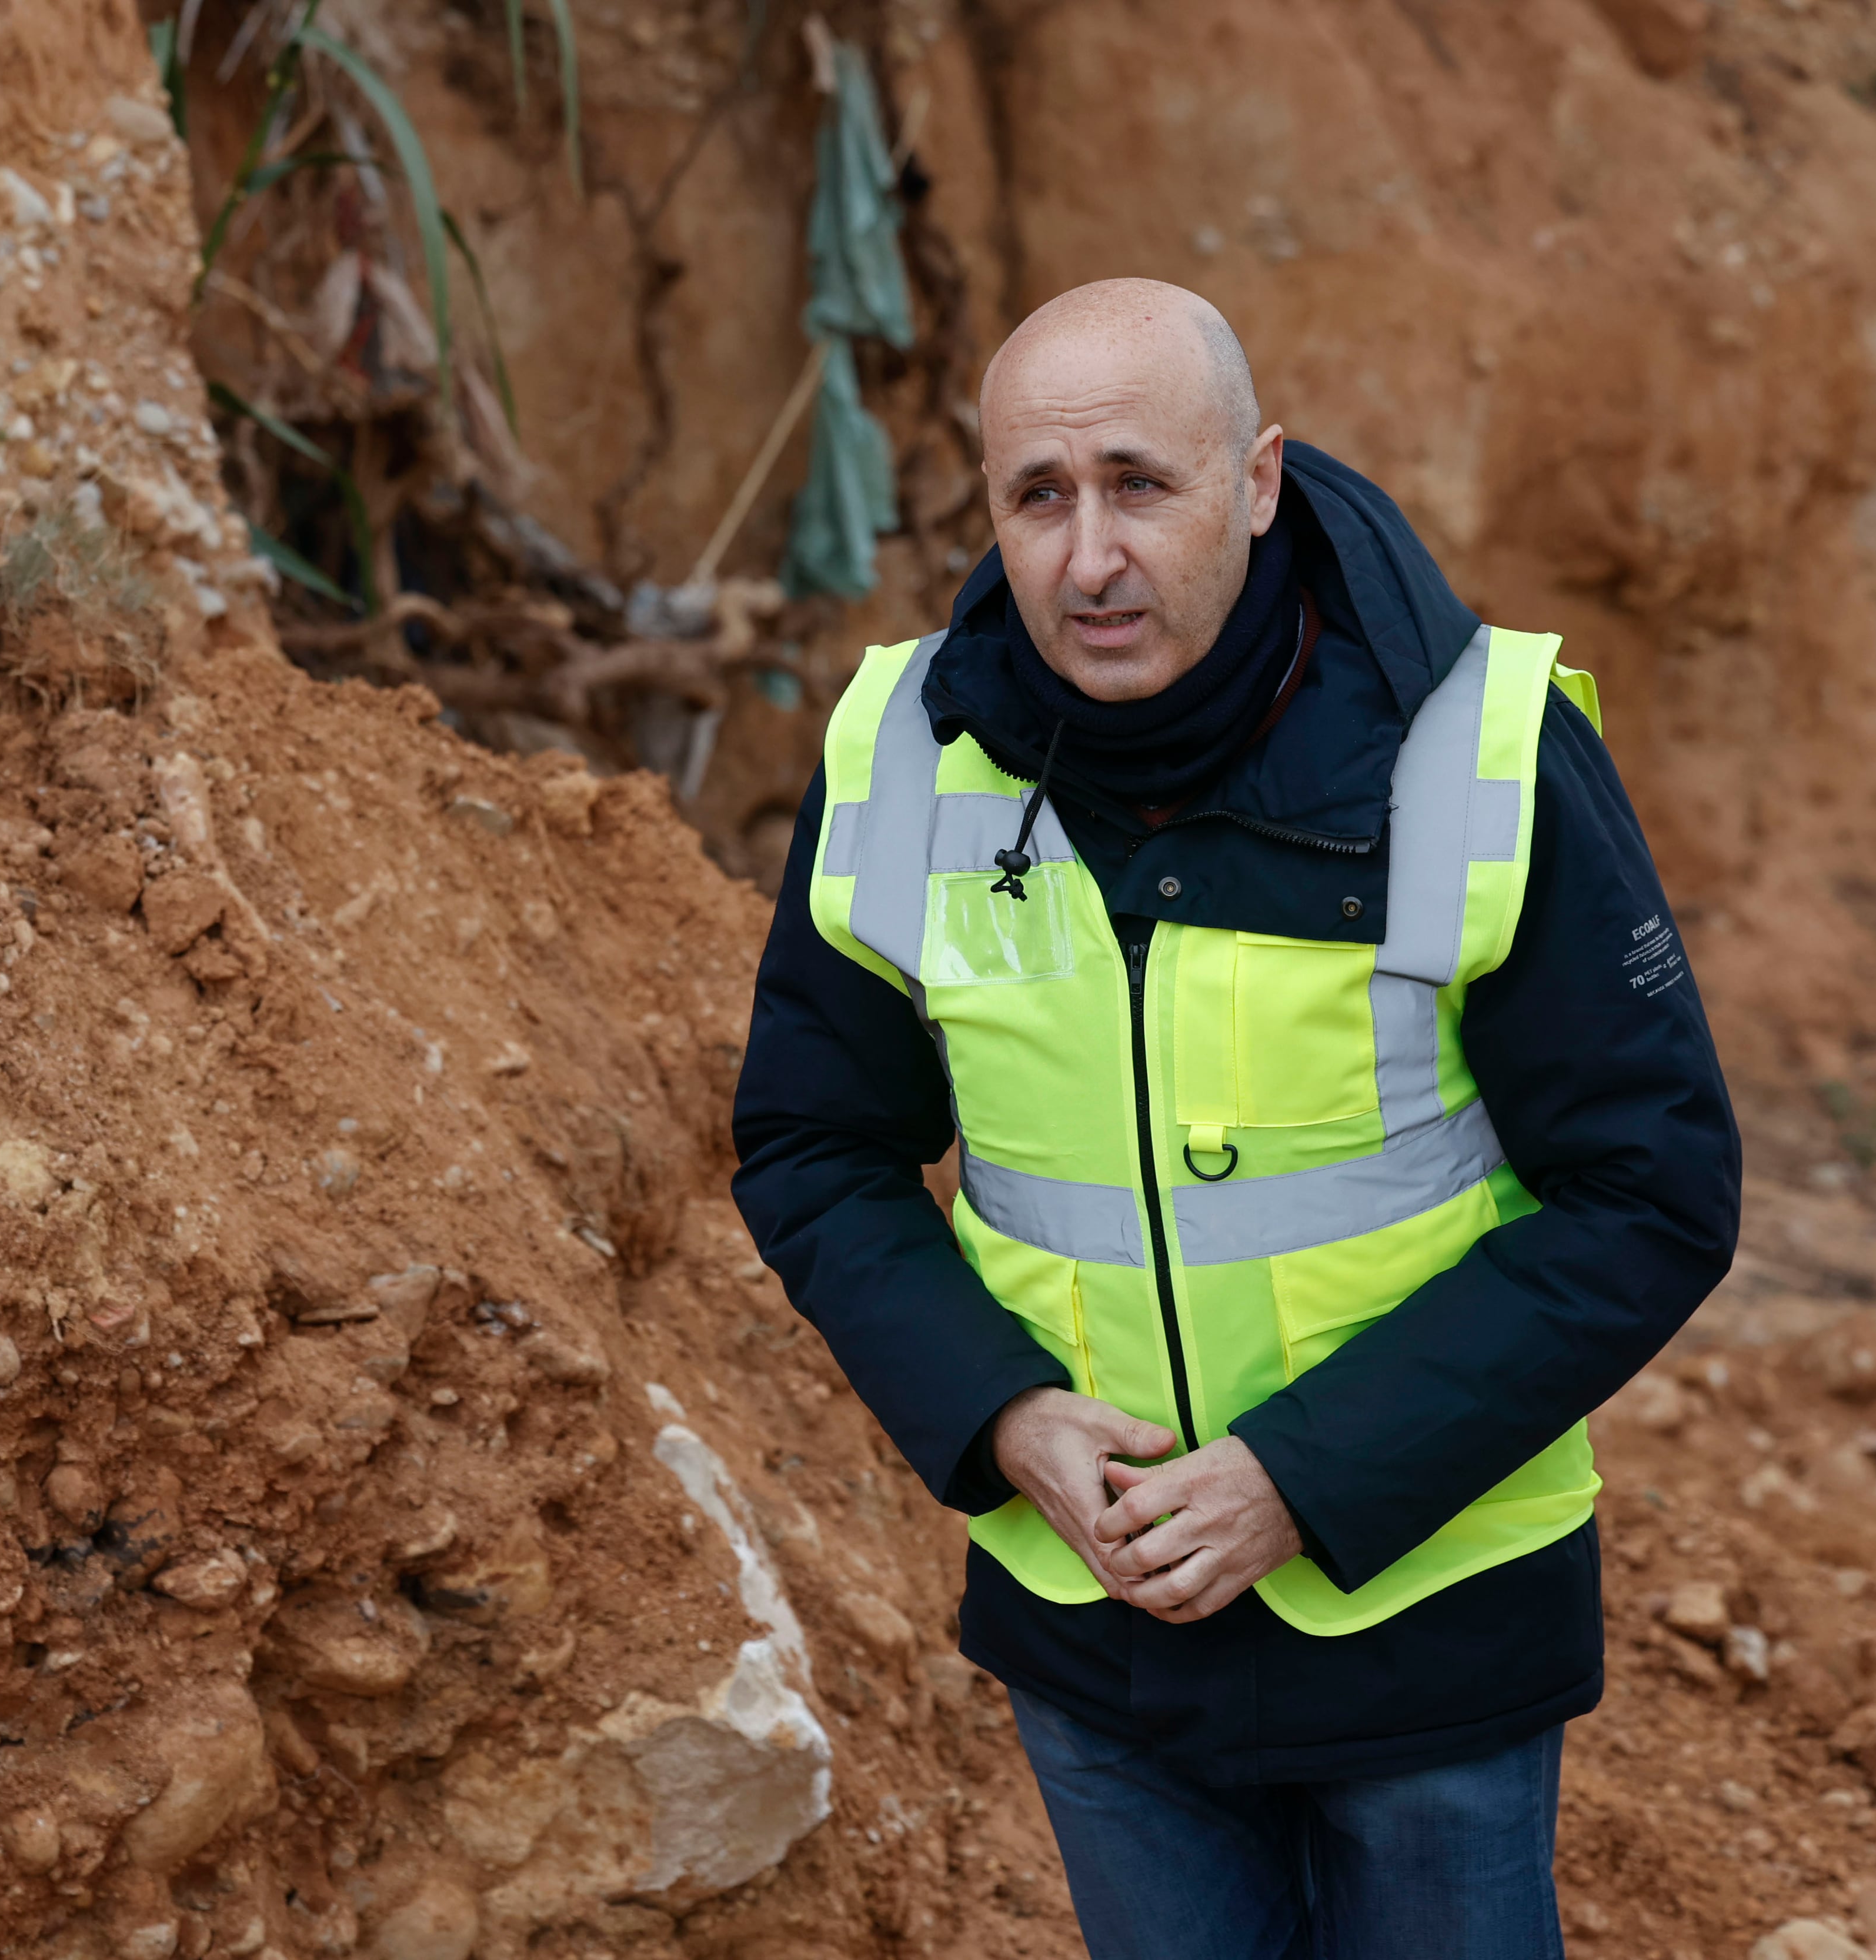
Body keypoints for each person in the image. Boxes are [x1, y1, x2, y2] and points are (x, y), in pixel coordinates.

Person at [731, 279, 1739, 1959]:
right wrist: (1004, 1420)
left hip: (1431, 1632)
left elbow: (1653, 1193)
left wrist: (1303, 1476)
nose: (1087, 558)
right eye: (1037, 498)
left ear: (1257, 481)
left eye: (1141, 483)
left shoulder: (1479, 753)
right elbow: (815, 1149)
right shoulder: (903, 762)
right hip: (1103, 1647)